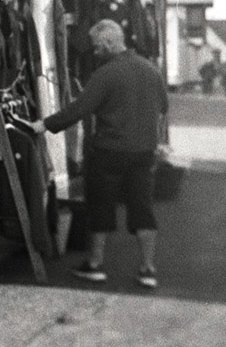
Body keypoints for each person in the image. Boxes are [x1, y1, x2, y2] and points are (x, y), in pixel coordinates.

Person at [29, 18, 168, 289]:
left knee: (100, 207)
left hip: (109, 153)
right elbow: (163, 107)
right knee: (142, 208)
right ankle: (148, 269)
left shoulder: (106, 74)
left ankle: (95, 265)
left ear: (107, 44)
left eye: (95, 47)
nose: (94, 52)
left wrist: (44, 124)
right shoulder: (151, 70)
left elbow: (79, 109)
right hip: (143, 154)